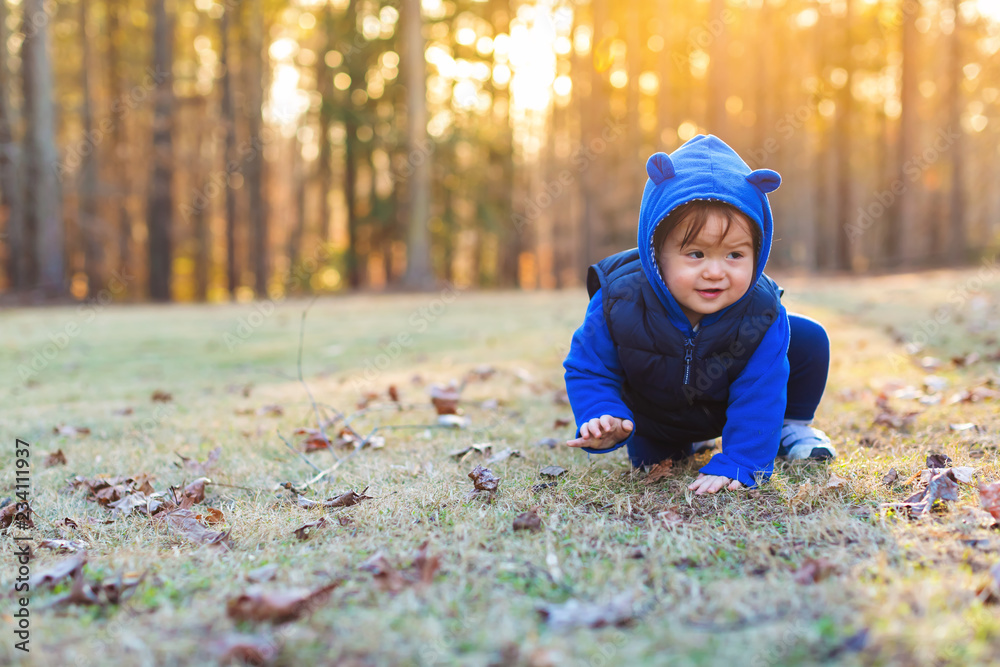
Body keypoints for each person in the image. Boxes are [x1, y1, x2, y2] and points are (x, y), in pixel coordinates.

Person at [562, 134, 835, 495]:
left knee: (807, 337)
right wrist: (602, 413)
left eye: (734, 255)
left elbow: (760, 391)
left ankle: (792, 427)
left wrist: (741, 461)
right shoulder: (620, 299)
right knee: (653, 464)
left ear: (759, 250)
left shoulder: (761, 312)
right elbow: (589, 366)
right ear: (655, 251)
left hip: (721, 407)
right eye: (696, 254)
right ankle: (684, 444)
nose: (715, 272)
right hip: (655, 416)